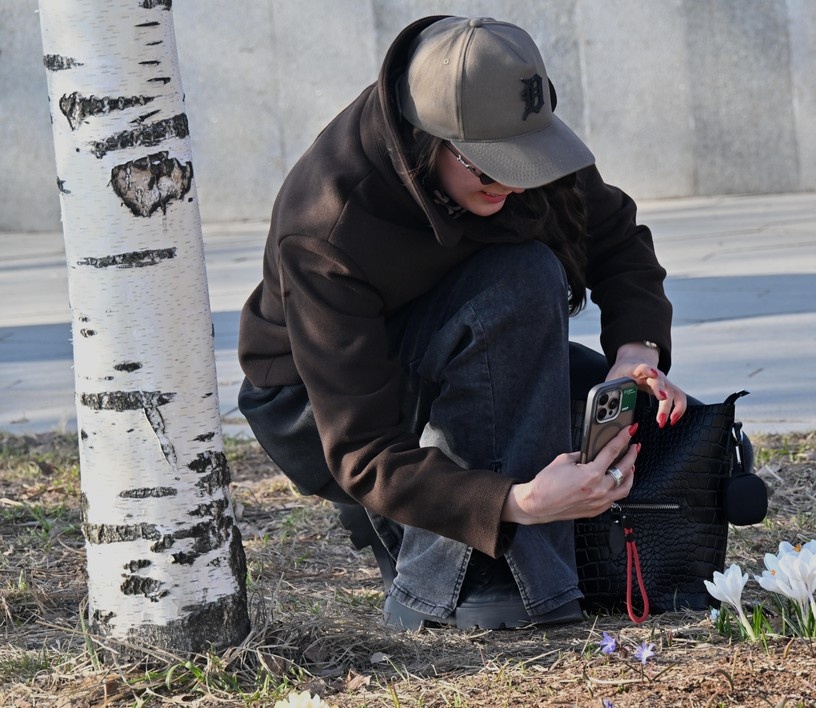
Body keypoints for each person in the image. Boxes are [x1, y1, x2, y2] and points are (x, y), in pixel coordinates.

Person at [237, 15, 689, 631]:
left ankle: (515, 555)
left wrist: (636, 356)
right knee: (522, 280)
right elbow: (363, 450)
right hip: (324, 405)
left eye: (524, 161)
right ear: (428, 142)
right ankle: (465, 585)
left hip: (455, 338)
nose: (510, 182)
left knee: (583, 384)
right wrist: (523, 503)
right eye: (487, 166)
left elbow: (617, 240)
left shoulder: (514, 132)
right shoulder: (328, 224)